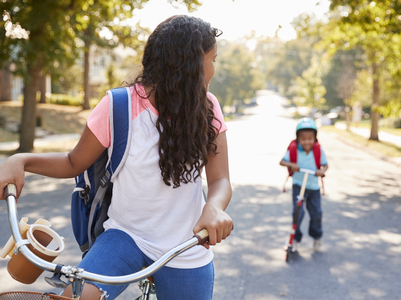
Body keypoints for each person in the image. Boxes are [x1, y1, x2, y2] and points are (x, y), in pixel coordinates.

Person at [0, 15, 233, 300]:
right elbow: (74, 162)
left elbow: (220, 179)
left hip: (185, 246)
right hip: (126, 236)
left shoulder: (208, 109)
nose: (214, 69)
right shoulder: (119, 106)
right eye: (213, 59)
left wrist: (215, 207)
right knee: (80, 295)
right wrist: (21, 160)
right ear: (192, 65)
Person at [279, 118, 328, 252]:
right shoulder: (294, 150)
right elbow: (282, 162)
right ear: (298, 139)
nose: (307, 141)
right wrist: (291, 165)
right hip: (298, 186)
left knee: (316, 213)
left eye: (310, 138)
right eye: (303, 138)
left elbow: (325, 164)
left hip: (313, 187)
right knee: (297, 213)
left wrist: (321, 171)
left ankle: (317, 237)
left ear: (315, 138)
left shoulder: (318, 150)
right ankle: (294, 239)